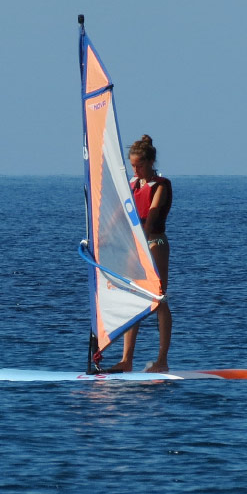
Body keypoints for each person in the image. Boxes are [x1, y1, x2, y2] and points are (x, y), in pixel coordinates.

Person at [108, 134, 173, 373]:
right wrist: (104, 235)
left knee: (158, 299)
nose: (136, 170)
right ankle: (126, 360)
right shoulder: (134, 183)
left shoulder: (161, 185)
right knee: (132, 298)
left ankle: (162, 360)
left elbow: (153, 214)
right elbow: (117, 212)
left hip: (154, 243)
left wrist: (141, 241)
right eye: (133, 166)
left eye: (140, 165)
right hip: (136, 245)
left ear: (150, 162)